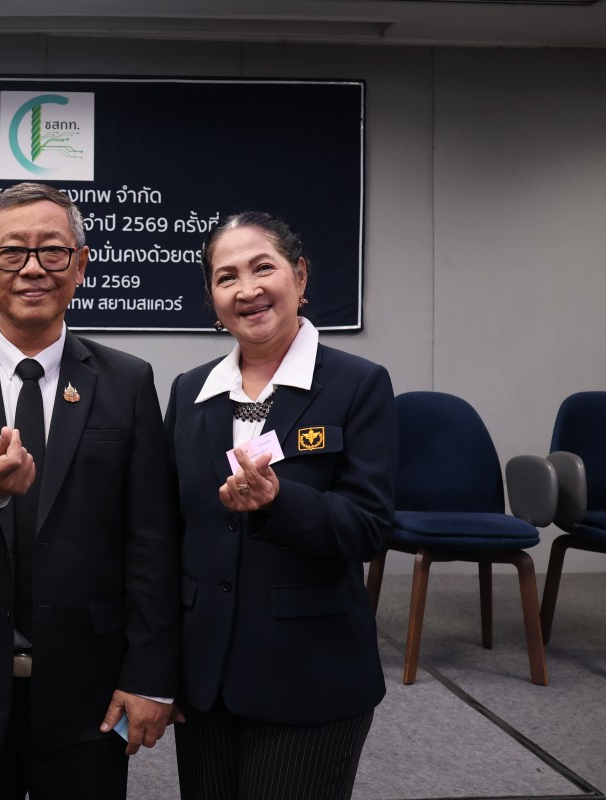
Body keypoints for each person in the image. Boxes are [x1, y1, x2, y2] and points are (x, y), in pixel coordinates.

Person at [0, 182, 180, 799]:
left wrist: (150, 675)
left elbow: (152, 538)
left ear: (81, 264)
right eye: (13, 251)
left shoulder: (127, 381)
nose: (34, 268)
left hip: (89, 688)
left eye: (53, 251)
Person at [166, 212, 396, 800]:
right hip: (205, 677)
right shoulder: (189, 392)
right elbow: (167, 530)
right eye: (226, 277)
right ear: (212, 298)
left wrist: (279, 501)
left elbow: (369, 527)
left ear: (300, 276)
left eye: (262, 268)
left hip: (309, 676)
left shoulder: (358, 384)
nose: (247, 290)